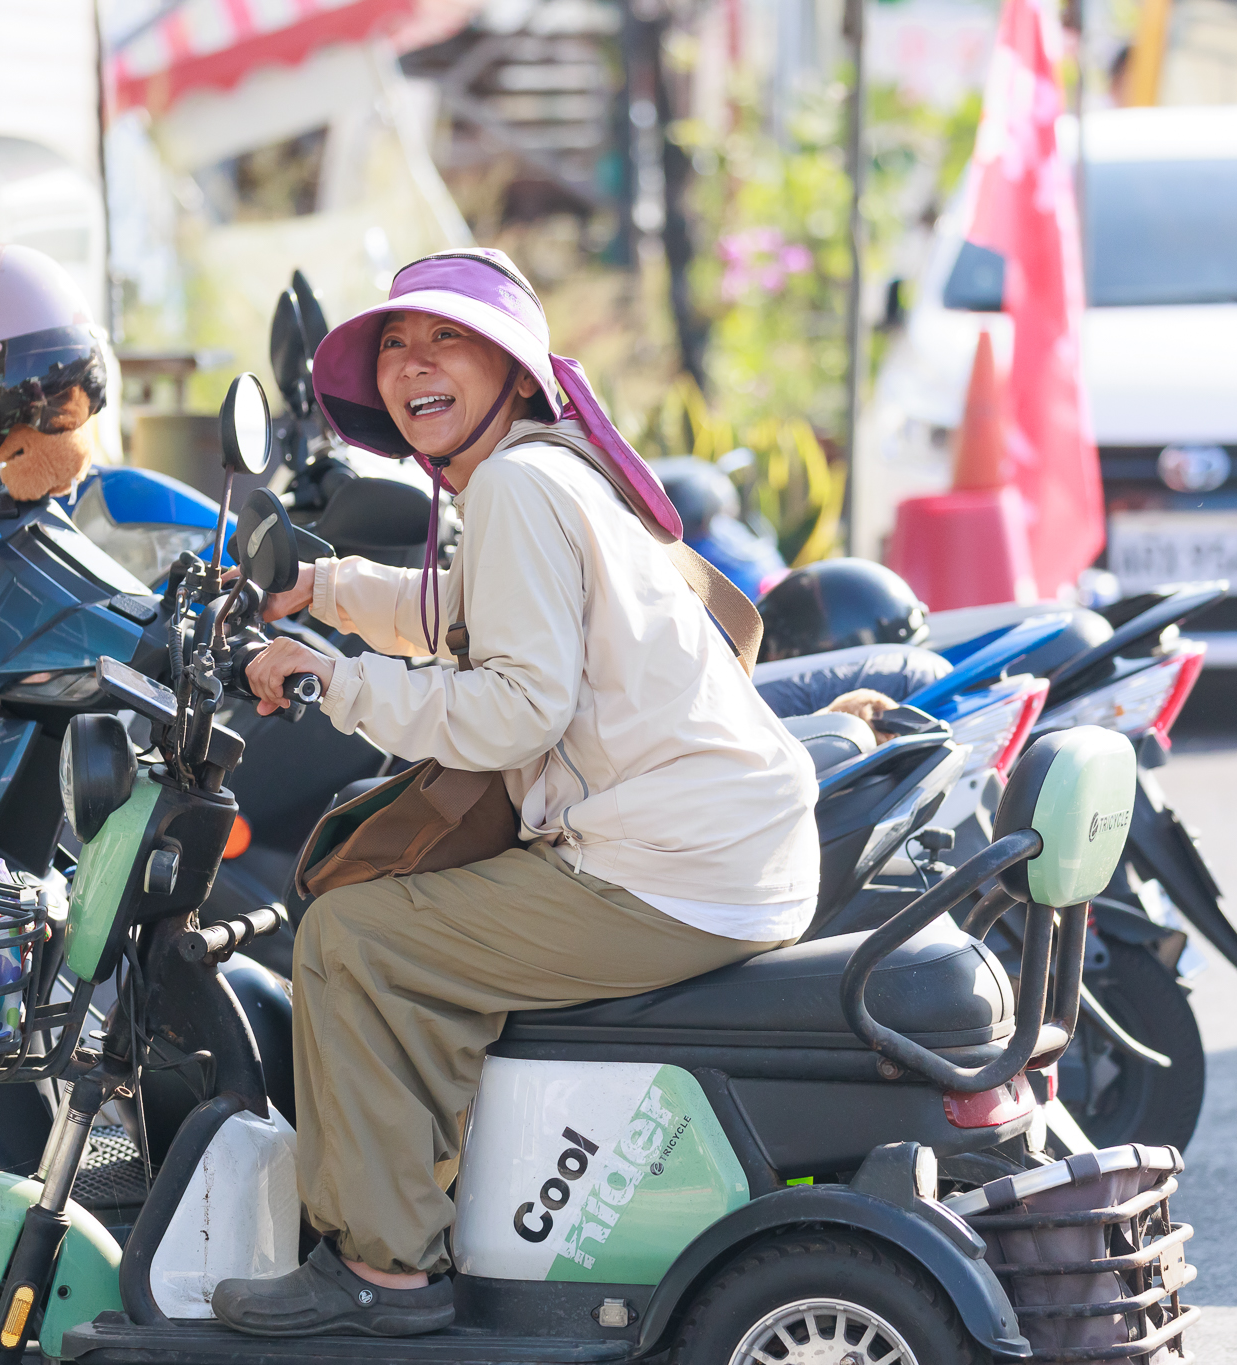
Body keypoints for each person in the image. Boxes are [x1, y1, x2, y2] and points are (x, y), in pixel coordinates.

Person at [221, 250, 820, 1338]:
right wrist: (334, 593)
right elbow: (474, 612)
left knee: (353, 937)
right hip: (713, 844)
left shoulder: (511, 486)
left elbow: (513, 712)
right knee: (390, 919)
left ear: (512, 366)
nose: (412, 366)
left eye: (444, 340)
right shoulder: (547, 470)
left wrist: (331, 680)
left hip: (665, 868)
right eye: (394, 348)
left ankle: (380, 1274)